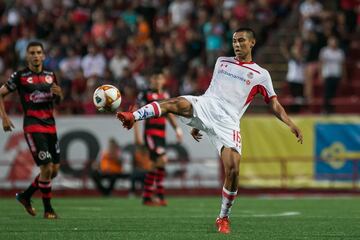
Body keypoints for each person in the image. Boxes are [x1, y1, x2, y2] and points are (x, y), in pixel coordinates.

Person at [117, 28, 303, 234]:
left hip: (228, 122)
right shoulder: (222, 61)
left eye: (241, 40)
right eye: (234, 41)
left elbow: (274, 104)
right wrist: (198, 122)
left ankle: (223, 218)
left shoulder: (261, 75)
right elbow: (212, 90)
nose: (237, 44)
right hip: (206, 104)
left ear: (252, 43)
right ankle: (132, 117)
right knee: (175, 102)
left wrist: (290, 123)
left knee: (233, 169)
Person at [0, 41, 64, 219]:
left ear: (43, 55)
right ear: (27, 56)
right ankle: (48, 210)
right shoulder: (20, 76)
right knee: (47, 168)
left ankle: (25, 196)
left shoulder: (51, 75)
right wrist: (4, 117)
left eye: (38, 52)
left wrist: (59, 95)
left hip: (50, 126)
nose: (36, 55)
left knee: (55, 170)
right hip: (33, 126)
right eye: (32, 53)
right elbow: (1, 93)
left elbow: (58, 100)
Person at [133, 70, 183, 206]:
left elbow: (169, 114)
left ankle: (148, 196)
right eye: (154, 79)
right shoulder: (145, 94)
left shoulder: (165, 95)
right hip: (150, 133)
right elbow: (135, 113)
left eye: (159, 79)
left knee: (156, 165)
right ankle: (159, 195)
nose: (156, 82)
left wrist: (177, 129)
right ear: (151, 81)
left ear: (163, 81)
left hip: (162, 134)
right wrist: (137, 135)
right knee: (162, 160)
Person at [319, 36, 346, 114]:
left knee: (333, 94)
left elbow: (342, 65)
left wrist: (344, 76)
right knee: (327, 93)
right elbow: (320, 63)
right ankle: (325, 109)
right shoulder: (324, 51)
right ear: (329, 42)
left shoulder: (340, 52)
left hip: (337, 75)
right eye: (332, 42)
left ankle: (331, 110)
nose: (333, 43)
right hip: (328, 75)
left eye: (334, 42)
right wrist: (320, 74)